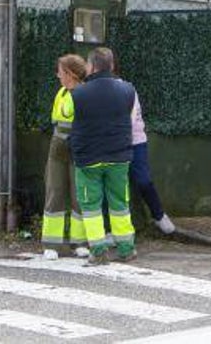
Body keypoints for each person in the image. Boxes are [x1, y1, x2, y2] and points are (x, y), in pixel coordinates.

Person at [70, 47, 138, 265]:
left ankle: (98, 251)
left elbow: (74, 123)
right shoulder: (127, 90)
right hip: (119, 156)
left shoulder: (79, 93)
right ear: (112, 65)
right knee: (120, 204)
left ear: (91, 66)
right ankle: (126, 248)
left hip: (89, 158)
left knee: (91, 207)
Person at [112, 54, 175, 236]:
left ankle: (159, 215)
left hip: (135, 142)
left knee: (144, 181)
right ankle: (114, 229)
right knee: (113, 186)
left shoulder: (128, 89)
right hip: (114, 145)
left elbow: (130, 120)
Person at [40, 53, 90, 259]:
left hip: (80, 149)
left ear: (70, 73)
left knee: (79, 196)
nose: (58, 75)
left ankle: (79, 242)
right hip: (58, 149)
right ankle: (52, 244)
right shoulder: (60, 93)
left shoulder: (87, 94)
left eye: (61, 72)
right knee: (54, 192)